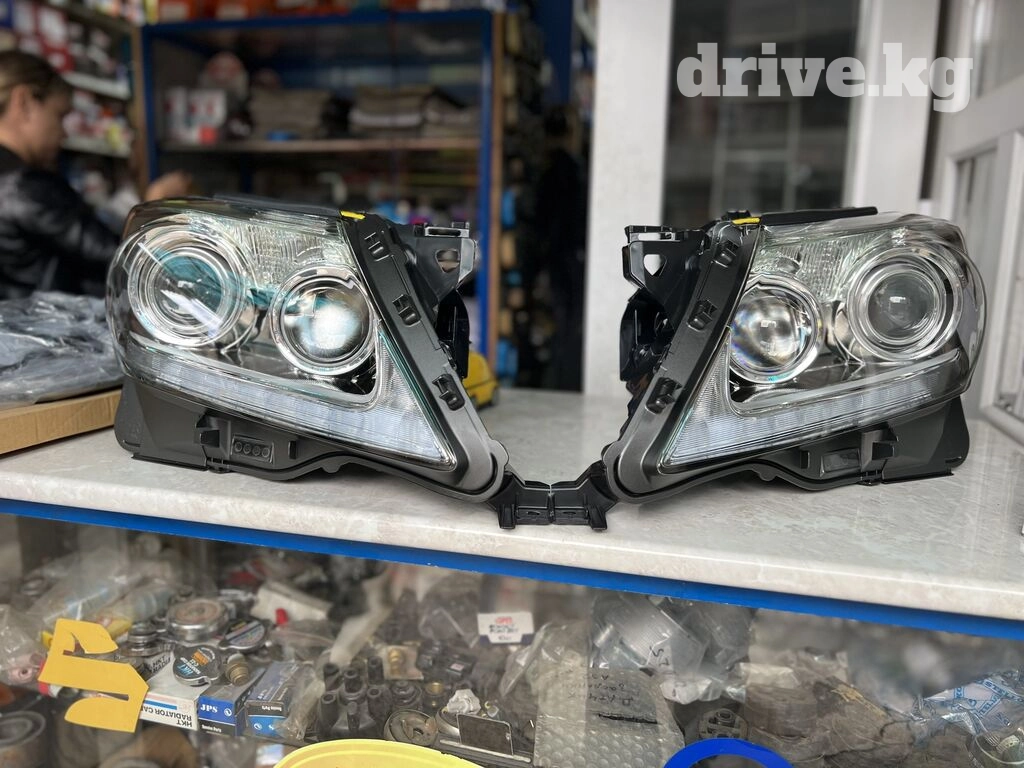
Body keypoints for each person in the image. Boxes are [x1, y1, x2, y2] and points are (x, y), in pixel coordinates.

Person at [0, 50, 189, 299]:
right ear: (23, 102)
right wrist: (155, 208)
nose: (63, 133)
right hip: (42, 322)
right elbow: (121, 259)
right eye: (59, 115)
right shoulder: (23, 186)